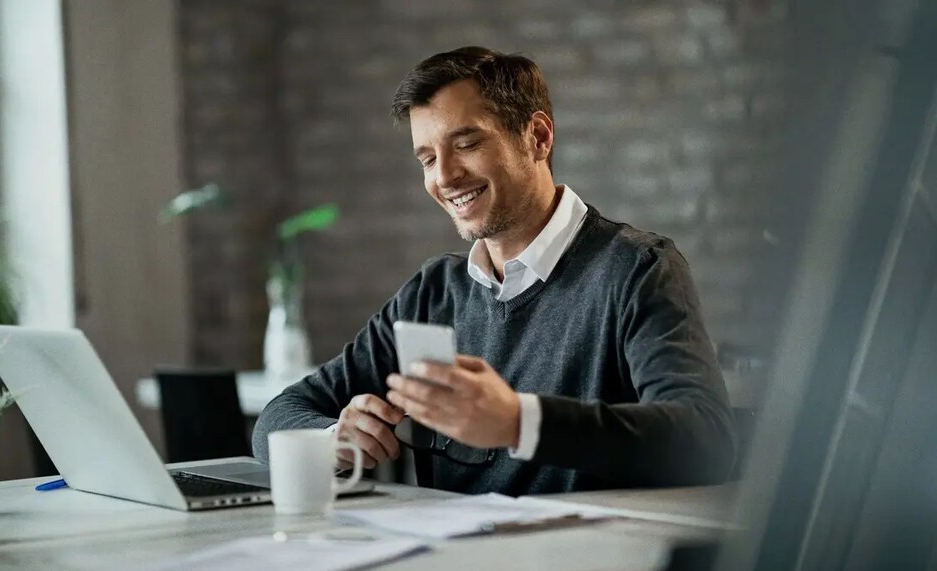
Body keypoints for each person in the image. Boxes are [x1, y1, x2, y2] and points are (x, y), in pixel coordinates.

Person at [252, 46, 736, 495]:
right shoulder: (432, 293)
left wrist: (518, 422)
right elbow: (278, 418)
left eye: (465, 144)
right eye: (427, 158)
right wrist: (334, 437)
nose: (444, 176)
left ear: (538, 137)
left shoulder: (637, 271)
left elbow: (705, 440)